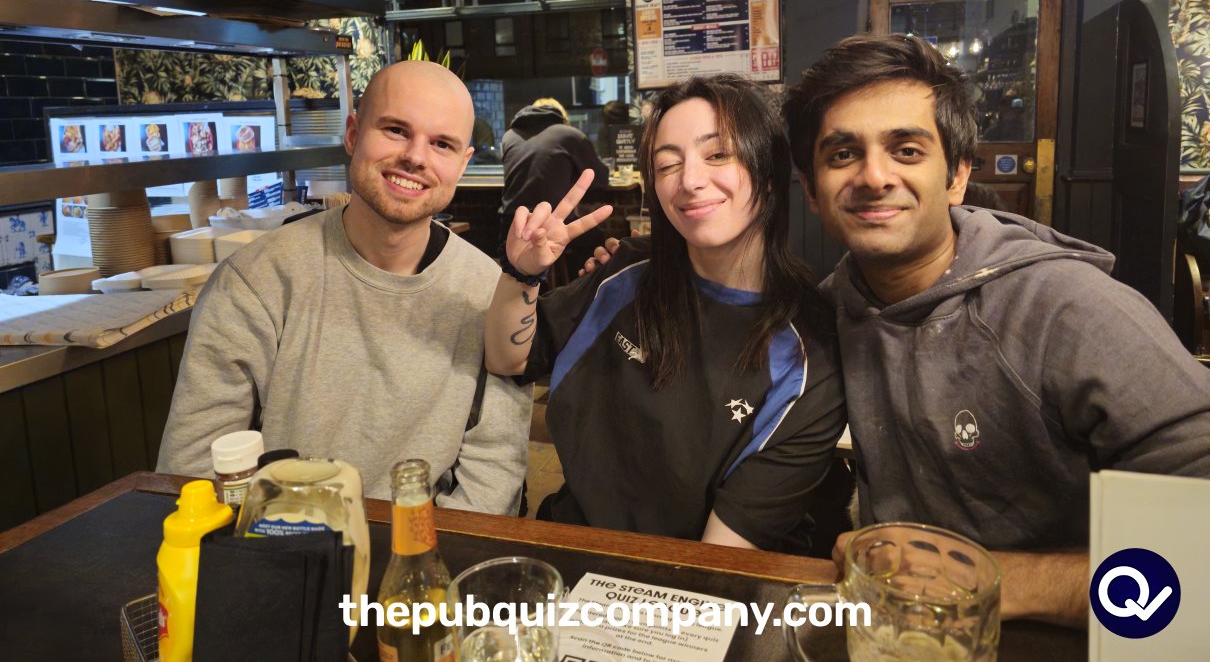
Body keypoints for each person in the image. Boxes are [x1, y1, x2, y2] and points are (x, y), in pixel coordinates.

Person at [782, 33, 1210, 625]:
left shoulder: (1068, 309)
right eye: (842, 154)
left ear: (956, 176)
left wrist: (987, 579)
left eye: (907, 150)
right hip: (905, 632)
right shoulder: (828, 313)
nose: (874, 176)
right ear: (811, 190)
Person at [484, 75, 846, 550]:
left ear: (769, 170)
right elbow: (507, 359)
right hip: (572, 548)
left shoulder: (808, 352)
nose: (689, 181)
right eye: (667, 164)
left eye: (718, 154)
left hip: (693, 580)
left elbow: (723, 552)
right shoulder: (625, 273)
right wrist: (522, 273)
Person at [157, 61, 532, 511]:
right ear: (353, 134)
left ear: (462, 164)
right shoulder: (255, 281)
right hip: (283, 541)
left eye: (441, 144)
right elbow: (195, 466)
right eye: (395, 130)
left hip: (426, 544)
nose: (416, 157)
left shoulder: (491, 291)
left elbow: (495, 466)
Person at [499, 97, 611, 273]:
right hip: (553, 225)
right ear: (561, 116)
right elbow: (601, 178)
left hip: (511, 226)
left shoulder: (509, 136)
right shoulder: (569, 134)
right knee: (597, 241)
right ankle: (579, 285)